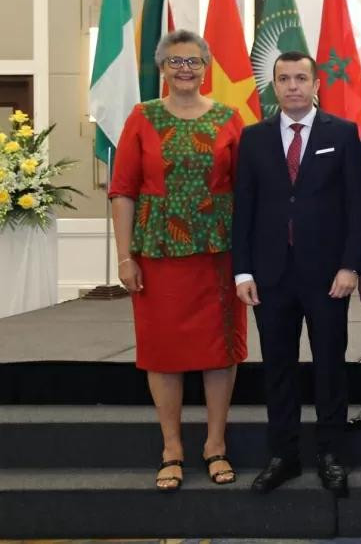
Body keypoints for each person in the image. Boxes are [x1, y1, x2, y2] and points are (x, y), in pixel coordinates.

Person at [108, 29, 246, 491]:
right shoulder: (142, 117)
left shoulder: (230, 118)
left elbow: (249, 190)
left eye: (193, 61)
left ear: (206, 67)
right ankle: (171, 448)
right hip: (159, 255)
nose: (185, 69)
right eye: (175, 61)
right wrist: (125, 257)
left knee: (219, 353)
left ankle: (215, 445)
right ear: (162, 68)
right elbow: (123, 190)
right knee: (162, 354)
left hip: (218, 256)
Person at [232, 51, 361, 496]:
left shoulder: (343, 133)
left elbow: (357, 207)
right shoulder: (253, 138)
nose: (293, 86)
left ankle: (331, 453)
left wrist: (351, 265)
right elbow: (244, 210)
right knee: (278, 368)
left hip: (328, 275)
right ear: (273, 86)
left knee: (329, 365)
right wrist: (242, 272)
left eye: (301, 78)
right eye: (284, 78)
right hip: (270, 275)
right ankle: (283, 455)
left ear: (315, 84)